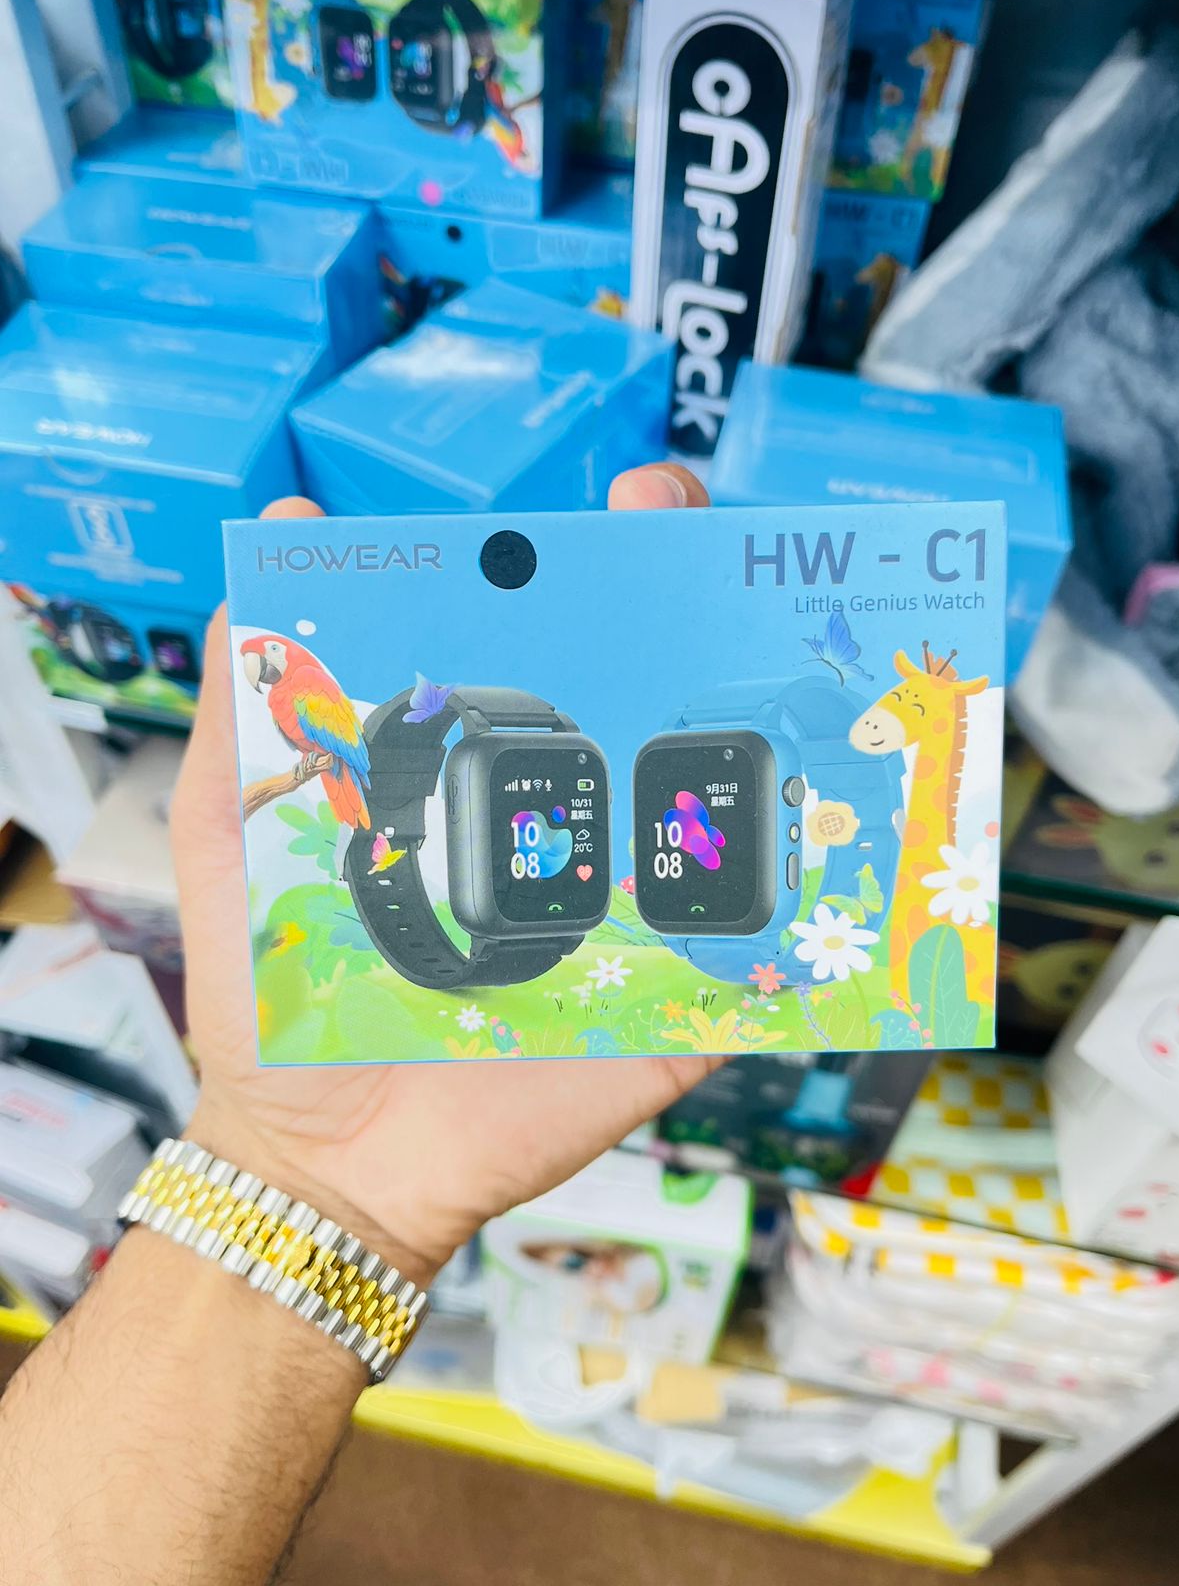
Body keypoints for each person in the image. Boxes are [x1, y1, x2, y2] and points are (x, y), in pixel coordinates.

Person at [0, 463, 717, 1586]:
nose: (276, 668)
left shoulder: (334, 695)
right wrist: (297, 1168)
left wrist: (299, 1175)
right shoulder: (310, 700)